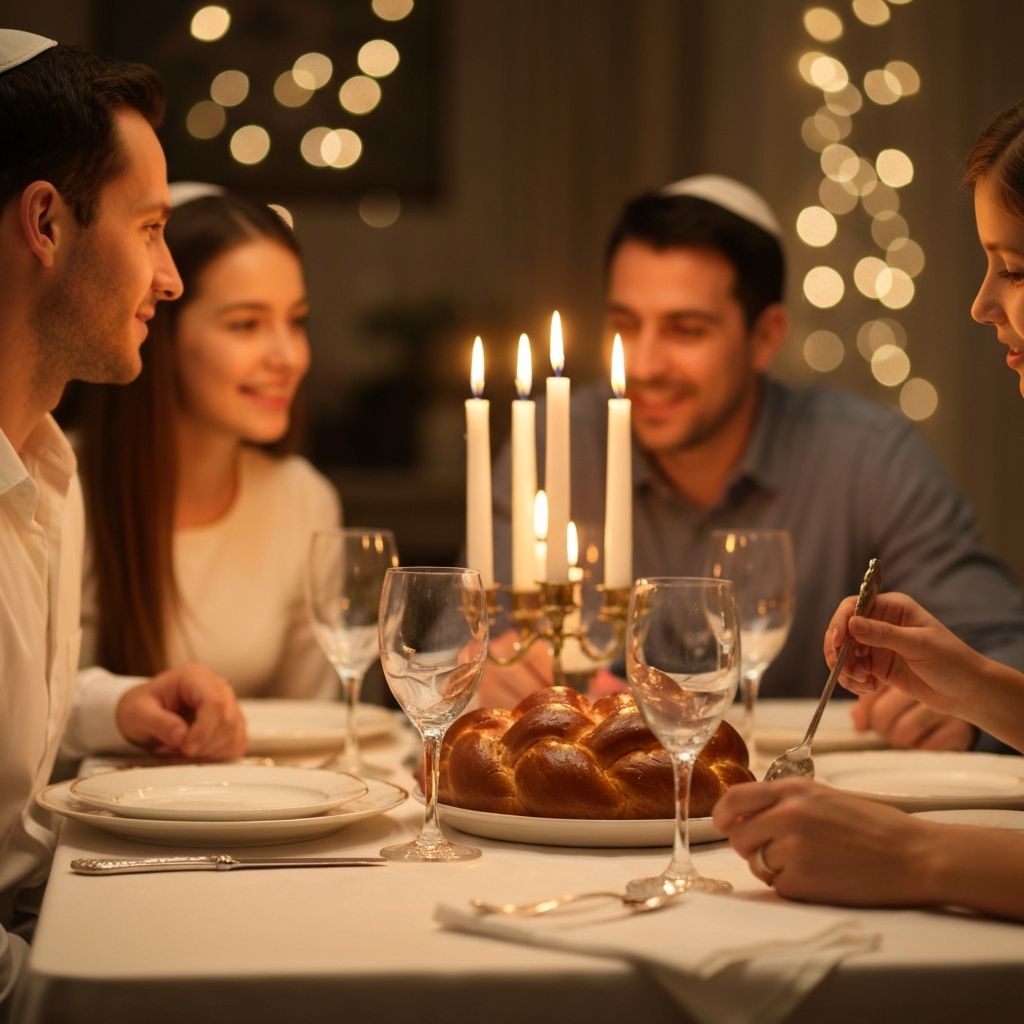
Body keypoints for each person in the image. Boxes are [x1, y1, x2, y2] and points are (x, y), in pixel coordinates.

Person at [485, 173, 1024, 753]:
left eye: (686, 330)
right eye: (625, 325)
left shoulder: (866, 455)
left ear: (765, 337)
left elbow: (1002, 643)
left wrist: (964, 713)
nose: (644, 365)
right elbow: (459, 632)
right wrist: (481, 666)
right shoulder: (555, 440)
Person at [714, 97, 1024, 922]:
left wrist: (912, 855)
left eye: (1016, 268)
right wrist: (977, 690)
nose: (983, 303)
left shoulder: (865, 450)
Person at [0, 31, 246, 1012]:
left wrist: (114, 704)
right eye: (150, 230)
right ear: (47, 223)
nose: (172, 278)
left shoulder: (45, 461)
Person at [72, 185, 340, 698]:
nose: (287, 356)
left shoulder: (303, 501)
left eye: (297, 321)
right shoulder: (55, 483)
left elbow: (318, 725)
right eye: (246, 325)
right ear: (157, 327)